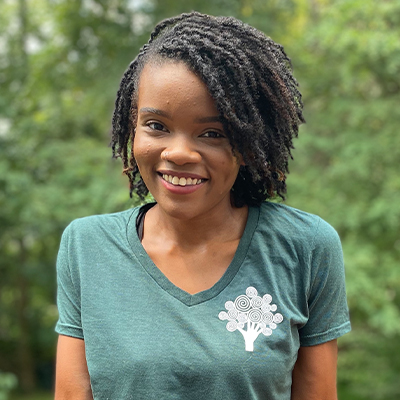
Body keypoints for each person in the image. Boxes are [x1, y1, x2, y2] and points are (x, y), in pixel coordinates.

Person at [54, 12, 351, 400]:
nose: (178, 153)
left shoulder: (305, 247)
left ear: (248, 144)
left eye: (212, 133)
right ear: (132, 128)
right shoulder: (86, 247)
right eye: (157, 126)